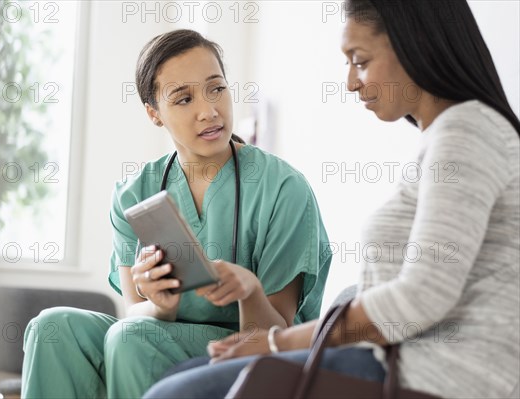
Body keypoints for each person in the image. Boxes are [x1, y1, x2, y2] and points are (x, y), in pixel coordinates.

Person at [143, 1, 520, 398]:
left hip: (436, 375)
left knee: (174, 394)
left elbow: (422, 296)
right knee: (179, 378)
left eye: (359, 60)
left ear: (416, 45)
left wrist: (277, 343)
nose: (351, 83)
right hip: (401, 362)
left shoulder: (466, 132)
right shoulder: (451, 136)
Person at [20, 29, 332, 398]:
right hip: (150, 336)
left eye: (216, 88)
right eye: (183, 99)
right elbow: (133, 312)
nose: (209, 110)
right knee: (52, 327)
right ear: (154, 114)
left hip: (249, 351)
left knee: (131, 338)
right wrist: (159, 307)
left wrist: (250, 291)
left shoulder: (282, 188)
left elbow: (275, 334)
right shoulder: (134, 194)